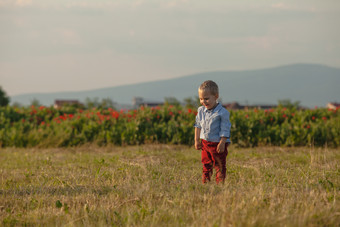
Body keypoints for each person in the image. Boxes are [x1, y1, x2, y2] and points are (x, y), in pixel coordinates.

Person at [194, 80, 231, 184]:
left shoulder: (222, 113)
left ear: (216, 96)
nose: (203, 102)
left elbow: (225, 128)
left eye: (206, 99)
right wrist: (197, 140)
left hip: (217, 144)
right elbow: (197, 125)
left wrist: (222, 142)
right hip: (205, 143)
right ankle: (205, 183)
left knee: (219, 165)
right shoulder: (201, 110)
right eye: (201, 99)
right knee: (206, 163)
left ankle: (220, 184)